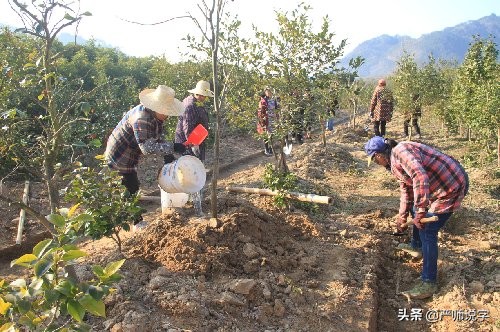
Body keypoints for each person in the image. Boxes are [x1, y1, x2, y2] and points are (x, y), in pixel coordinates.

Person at [365, 136, 469, 299]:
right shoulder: (393, 162)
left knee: (427, 229)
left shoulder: (401, 153)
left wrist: (421, 210)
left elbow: (420, 177)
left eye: (375, 160)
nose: (377, 164)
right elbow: (407, 190)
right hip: (438, 186)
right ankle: (416, 246)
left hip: (451, 186)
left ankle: (428, 283)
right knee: (415, 209)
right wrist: (402, 215)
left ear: (379, 155)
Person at [105, 85, 187, 229]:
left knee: (132, 185)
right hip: (120, 155)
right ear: (157, 108)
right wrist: (173, 147)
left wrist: (168, 154)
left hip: (131, 154)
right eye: (166, 112)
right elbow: (147, 148)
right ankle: (135, 223)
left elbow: (157, 137)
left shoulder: (156, 117)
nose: (167, 116)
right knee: (130, 186)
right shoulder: (141, 118)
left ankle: (131, 217)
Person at [175, 80, 213, 216]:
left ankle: (193, 200)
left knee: (192, 173)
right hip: (190, 144)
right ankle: (198, 210)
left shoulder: (196, 102)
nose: (204, 98)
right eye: (203, 95)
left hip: (195, 141)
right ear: (198, 94)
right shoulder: (191, 105)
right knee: (196, 174)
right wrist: (194, 146)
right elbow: (188, 129)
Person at [257, 87, 279, 156]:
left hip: (272, 119)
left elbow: (276, 110)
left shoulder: (273, 100)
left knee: (271, 134)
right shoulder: (263, 100)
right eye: (267, 91)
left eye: (270, 91)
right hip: (265, 120)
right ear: (265, 92)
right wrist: (262, 120)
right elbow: (260, 111)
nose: (269, 93)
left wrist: (277, 118)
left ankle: (270, 148)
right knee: (266, 135)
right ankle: (266, 150)